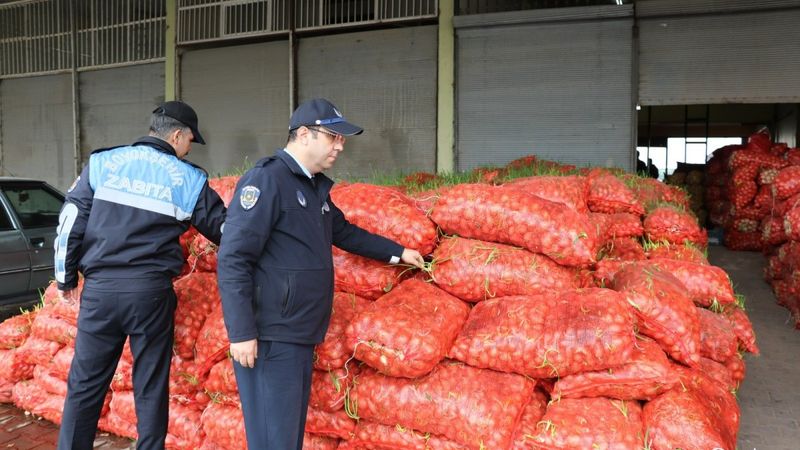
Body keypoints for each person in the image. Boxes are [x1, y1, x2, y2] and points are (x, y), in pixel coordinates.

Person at [217, 98, 425, 449]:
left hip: (298, 332)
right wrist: (240, 332)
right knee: (273, 439)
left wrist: (398, 252)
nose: (340, 146)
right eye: (333, 137)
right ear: (303, 135)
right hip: (269, 335)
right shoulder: (267, 181)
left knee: (286, 437)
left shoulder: (312, 187)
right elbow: (234, 257)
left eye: (342, 139)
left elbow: (344, 233)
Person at [54, 101, 226, 450]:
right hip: (150, 294)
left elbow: (70, 222)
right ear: (177, 135)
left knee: (85, 385)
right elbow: (226, 230)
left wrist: (65, 279)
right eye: (190, 140)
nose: (189, 148)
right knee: (150, 383)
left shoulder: (102, 163)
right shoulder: (189, 178)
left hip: (100, 291)